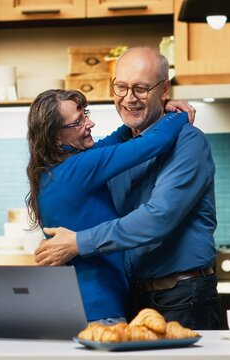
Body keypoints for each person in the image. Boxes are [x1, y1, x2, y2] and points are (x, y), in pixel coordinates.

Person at [34, 47, 220, 330]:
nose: (129, 98)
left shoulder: (188, 142)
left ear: (164, 89)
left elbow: (158, 217)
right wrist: (168, 112)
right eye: (120, 87)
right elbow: (133, 139)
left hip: (181, 296)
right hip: (134, 298)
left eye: (141, 89)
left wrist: (78, 242)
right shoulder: (104, 155)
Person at [25, 89, 194, 324]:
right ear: (55, 137)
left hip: (74, 308)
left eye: (86, 114)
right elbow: (155, 142)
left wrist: (155, 111)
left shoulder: (52, 173)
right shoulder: (80, 168)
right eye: (78, 121)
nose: (90, 123)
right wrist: (178, 114)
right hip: (101, 311)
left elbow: (115, 140)